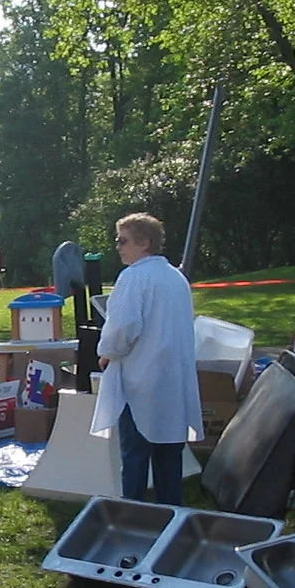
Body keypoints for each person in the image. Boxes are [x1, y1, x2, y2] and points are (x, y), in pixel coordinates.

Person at [90, 213, 203, 507]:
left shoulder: (134, 277)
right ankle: (172, 514)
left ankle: (134, 513)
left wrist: (107, 352)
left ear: (144, 243)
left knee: (135, 455)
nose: (118, 247)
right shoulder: (177, 278)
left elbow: (123, 327)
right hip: (173, 378)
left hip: (142, 378)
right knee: (169, 454)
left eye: (123, 241)